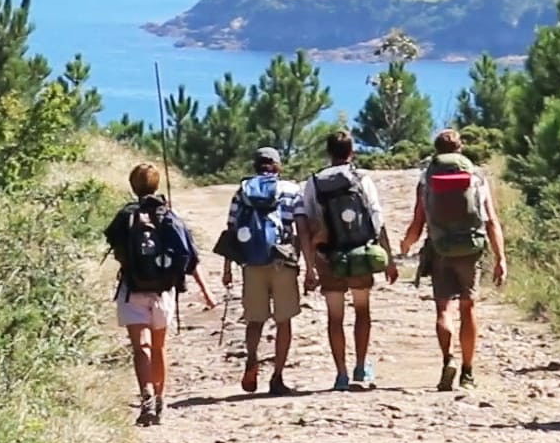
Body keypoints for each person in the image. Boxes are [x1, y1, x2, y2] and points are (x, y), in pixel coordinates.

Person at [104, 162, 215, 426]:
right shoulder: (168, 215)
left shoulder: (126, 215)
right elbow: (189, 255)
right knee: (158, 346)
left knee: (139, 347)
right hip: (163, 290)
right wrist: (203, 290)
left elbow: (112, 241)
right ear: (157, 185)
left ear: (133, 186)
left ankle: (146, 397)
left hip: (132, 288)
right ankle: (161, 397)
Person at [401, 129, 506, 392]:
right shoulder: (476, 176)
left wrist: (406, 245)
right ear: (460, 149)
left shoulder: (427, 179)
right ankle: (468, 372)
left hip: (440, 249)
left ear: (436, 150)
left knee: (443, 309)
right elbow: (491, 220)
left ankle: (448, 358)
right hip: (470, 249)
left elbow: (418, 221)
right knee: (468, 307)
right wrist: (500, 258)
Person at [303, 130, 398, 391]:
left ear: (328, 152)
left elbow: (309, 221)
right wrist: (389, 259)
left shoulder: (314, 182)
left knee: (335, 317)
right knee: (362, 311)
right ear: (351, 152)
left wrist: (310, 263)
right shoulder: (361, 179)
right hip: (359, 254)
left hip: (328, 256)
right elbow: (377, 221)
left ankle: (341, 374)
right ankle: (361, 366)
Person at [217, 146, 310, 395]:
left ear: (255, 166)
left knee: (255, 320)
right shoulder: (291, 190)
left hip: (251, 263)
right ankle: (277, 377)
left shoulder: (242, 190)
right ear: (277, 166)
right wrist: (310, 266)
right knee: (284, 321)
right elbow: (301, 229)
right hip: (283, 262)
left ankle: (252, 358)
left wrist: (227, 269)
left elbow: (231, 229)